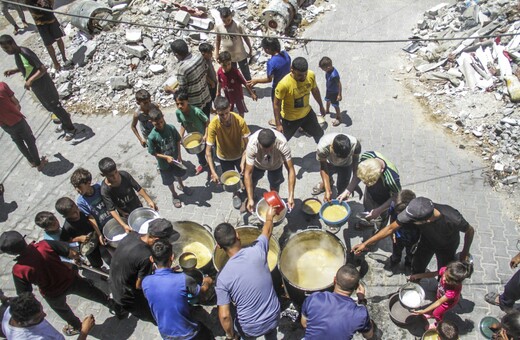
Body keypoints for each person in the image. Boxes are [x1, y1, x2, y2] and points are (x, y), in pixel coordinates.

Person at [0, 230, 121, 336]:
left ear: (11, 253)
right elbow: (72, 253)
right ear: (23, 239)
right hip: (70, 279)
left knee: (63, 310)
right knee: (92, 292)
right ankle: (113, 305)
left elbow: (25, 295)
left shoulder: (19, 270)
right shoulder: (44, 245)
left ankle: (77, 326)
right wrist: (77, 260)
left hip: (51, 293)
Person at [353, 197, 476, 275]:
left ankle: (439, 289)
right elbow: (390, 229)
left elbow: (470, 231)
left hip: (447, 247)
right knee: (417, 265)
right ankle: (416, 281)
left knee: (444, 271)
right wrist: (365, 244)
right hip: (426, 243)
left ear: (425, 221)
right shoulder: (418, 209)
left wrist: (465, 252)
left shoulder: (453, 218)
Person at [214, 206, 280, 340]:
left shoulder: (222, 278)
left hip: (250, 328)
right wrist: (269, 216)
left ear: (219, 246)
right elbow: (267, 231)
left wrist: (231, 335)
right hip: (274, 316)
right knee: (271, 334)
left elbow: (225, 315)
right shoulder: (257, 250)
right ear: (238, 235)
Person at [1, 35, 76, 141]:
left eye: (6, 48)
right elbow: (27, 66)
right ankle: (64, 121)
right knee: (50, 107)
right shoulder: (17, 54)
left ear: (12, 44)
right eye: (4, 49)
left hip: (45, 86)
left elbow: (42, 69)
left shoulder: (25, 53)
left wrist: (30, 80)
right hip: (38, 88)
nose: (6, 51)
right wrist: (14, 70)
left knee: (56, 107)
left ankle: (71, 128)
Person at [142, 239, 214, 339]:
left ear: (151, 259)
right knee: (207, 334)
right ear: (172, 257)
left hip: (166, 334)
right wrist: (207, 281)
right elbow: (201, 291)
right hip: (188, 333)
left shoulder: (145, 282)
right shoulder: (183, 279)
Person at [109, 218, 174, 323]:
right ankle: (161, 322)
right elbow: (140, 286)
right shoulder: (146, 257)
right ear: (156, 239)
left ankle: (119, 308)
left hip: (114, 279)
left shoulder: (132, 235)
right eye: (166, 240)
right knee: (150, 312)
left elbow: (133, 263)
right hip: (127, 295)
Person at [301, 264, 375, 340]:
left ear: (334, 280)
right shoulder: (361, 314)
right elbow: (369, 335)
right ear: (356, 287)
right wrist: (362, 300)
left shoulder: (314, 298)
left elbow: (304, 324)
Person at [206, 96, 250, 209]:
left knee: (245, 174)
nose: (225, 117)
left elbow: (248, 145)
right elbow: (208, 152)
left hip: (240, 154)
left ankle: (248, 192)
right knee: (230, 179)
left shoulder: (239, 121)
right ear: (216, 112)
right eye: (221, 114)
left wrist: (244, 160)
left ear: (230, 107)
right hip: (224, 157)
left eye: (226, 113)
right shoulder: (213, 125)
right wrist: (213, 172)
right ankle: (235, 194)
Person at [340, 151, 401, 229]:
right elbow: (358, 174)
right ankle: (368, 222)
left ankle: (376, 233)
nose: (365, 185)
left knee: (379, 221)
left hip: (383, 202)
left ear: (381, 171)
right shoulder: (367, 156)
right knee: (367, 210)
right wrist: (348, 190)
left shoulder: (392, 179)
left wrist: (379, 210)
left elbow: (396, 197)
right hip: (370, 194)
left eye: (370, 182)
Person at [147, 106, 192, 209]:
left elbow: (177, 140)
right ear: (151, 122)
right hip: (164, 165)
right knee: (169, 180)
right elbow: (153, 152)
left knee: (178, 174)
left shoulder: (171, 128)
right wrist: (165, 157)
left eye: (161, 122)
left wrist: (179, 156)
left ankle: (182, 186)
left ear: (163, 117)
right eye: (157, 123)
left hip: (175, 160)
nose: (160, 125)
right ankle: (174, 194)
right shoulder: (152, 137)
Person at [273, 57, 325, 143]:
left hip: (307, 114)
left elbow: (315, 90)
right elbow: (276, 104)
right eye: (300, 75)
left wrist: (321, 106)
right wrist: (278, 124)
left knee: (319, 134)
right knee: (281, 141)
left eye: (305, 74)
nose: (303, 77)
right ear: (292, 70)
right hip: (290, 119)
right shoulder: (283, 84)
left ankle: (322, 154)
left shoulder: (310, 75)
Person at [98, 157, 157, 233]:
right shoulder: (105, 190)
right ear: (103, 175)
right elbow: (111, 209)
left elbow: (138, 188)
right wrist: (123, 225)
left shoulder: (125, 175)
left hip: (136, 205)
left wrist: (149, 201)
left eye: (116, 172)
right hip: (125, 213)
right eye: (111, 175)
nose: (115, 177)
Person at [1, 292, 95, 340]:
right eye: (38, 317)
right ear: (22, 322)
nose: (45, 315)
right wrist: (84, 332)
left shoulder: (11, 311)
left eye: (42, 311)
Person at [244, 128, 295, 212]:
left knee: (275, 184)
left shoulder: (282, 144)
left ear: (275, 141)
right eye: (264, 148)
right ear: (258, 142)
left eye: (270, 148)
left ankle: (274, 201)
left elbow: (290, 169)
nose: (267, 151)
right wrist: (250, 198)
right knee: (252, 180)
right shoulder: (252, 144)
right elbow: (248, 173)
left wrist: (291, 196)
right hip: (258, 164)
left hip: (276, 165)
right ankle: (251, 198)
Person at [0, 81, 47, 170]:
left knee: (18, 141)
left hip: (5, 125)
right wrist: (16, 108)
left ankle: (31, 161)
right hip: (17, 120)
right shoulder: (2, 86)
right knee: (30, 140)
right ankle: (38, 163)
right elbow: (15, 101)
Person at [410, 261, 473, 326]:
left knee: (436, 314)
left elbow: (439, 302)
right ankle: (431, 313)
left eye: (448, 280)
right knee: (435, 303)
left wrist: (423, 311)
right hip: (440, 294)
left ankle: (439, 325)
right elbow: (433, 274)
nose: (444, 279)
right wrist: (418, 276)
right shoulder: (445, 270)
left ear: (456, 283)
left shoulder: (452, 292)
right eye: (445, 275)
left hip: (446, 304)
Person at [247, 37, 291, 126]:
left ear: (267, 49)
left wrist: (256, 80)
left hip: (278, 87)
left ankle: (278, 122)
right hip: (288, 83)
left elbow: (269, 79)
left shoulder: (271, 63)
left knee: (276, 105)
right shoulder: (286, 55)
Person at [54, 197, 105, 270]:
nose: (77, 213)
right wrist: (79, 238)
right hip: (88, 246)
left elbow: (89, 217)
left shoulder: (81, 212)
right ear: (65, 216)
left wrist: (98, 233)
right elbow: (66, 240)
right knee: (96, 262)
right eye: (73, 213)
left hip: (95, 235)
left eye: (76, 209)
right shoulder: (67, 227)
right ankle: (101, 272)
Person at [313, 133, 362, 202]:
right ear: (331, 147)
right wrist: (328, 190)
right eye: (338, 157)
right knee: (327, 176)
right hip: (329, 163)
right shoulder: (322, 148)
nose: (340, 160)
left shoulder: (356, 146)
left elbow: (355, 163)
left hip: (346, 165)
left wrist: (354, 183)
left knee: (343, 185)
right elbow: (323, 167)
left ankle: (341, 198)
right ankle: (326, 185)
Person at [170, 39, 211, 117]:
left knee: (198, 127)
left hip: (195, 105)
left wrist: (170, 90)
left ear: (176, 54)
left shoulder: (182, 69)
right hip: (206, 97)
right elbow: (205, 70)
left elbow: (182, 92)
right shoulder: (198, 56)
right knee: (207, 123)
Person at [384, 189, 420, 275]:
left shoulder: (419, 211)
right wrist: (392, 233)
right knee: (396, 251)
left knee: (411, 253)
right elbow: (392, 218)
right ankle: (394, 262)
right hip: (398, 236)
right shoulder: (394, 205)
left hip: (413, 237)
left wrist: (418, 241)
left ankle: (408, 264)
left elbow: (423, 227)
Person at [25, 0, 68, 71]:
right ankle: (56, 63)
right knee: (48, 45)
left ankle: (64, 58)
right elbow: (31, 8)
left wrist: (47, 5)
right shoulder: (28, 1)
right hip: (40, 23)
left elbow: (52, 2)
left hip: (51, 19)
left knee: (58, 39)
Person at [175, 89, 209, 176]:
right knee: (199, 153)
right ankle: (204, 164)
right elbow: (183, 124)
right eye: (177, 104)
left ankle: (212, 168)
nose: (179, 106)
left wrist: (206, 134)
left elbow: (207, 122)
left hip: (203, 136)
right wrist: (181, 136)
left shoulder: (196, 111)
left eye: (182, 103)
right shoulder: (178, 113)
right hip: (193, 139)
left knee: (208, 152)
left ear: (187, 101)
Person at [214, 7, 252, 81]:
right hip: (229, 57)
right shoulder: (219, 27)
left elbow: (245, 38)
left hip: (241, 54)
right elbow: (218, 40)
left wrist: (250, 49)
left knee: (246, 73)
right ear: (221, 18)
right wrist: (217, 53)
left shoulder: (237, 25)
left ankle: (250, 88)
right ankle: (235, 87)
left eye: (228, 20)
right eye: (224, 20)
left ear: (231, 16)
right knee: (232, 73)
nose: (226, 22)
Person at [217, 51, 257, 117]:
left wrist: (251, 93)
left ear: (231, 62)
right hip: (228, 96)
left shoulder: (235, 72)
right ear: (219, 63)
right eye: (224, 65)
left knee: (241, 111)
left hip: (238, 96)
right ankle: (231, 123)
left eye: (229, 64)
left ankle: (241, 123)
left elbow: (245, 83)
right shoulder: (219, 72)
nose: (227, 67)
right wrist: (218, 92)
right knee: (229, 110)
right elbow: (219, 82)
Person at [318, 57, 343, 126]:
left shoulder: (334, 75)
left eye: (323, 69)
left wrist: (339, 94)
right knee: (327, 100)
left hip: (334, 92)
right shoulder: (328, 71)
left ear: (328, 67)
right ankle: (327, 110)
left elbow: (339, 84)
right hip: (329, 90)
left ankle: (339, 117)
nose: (323, 71)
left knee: (335, 105)